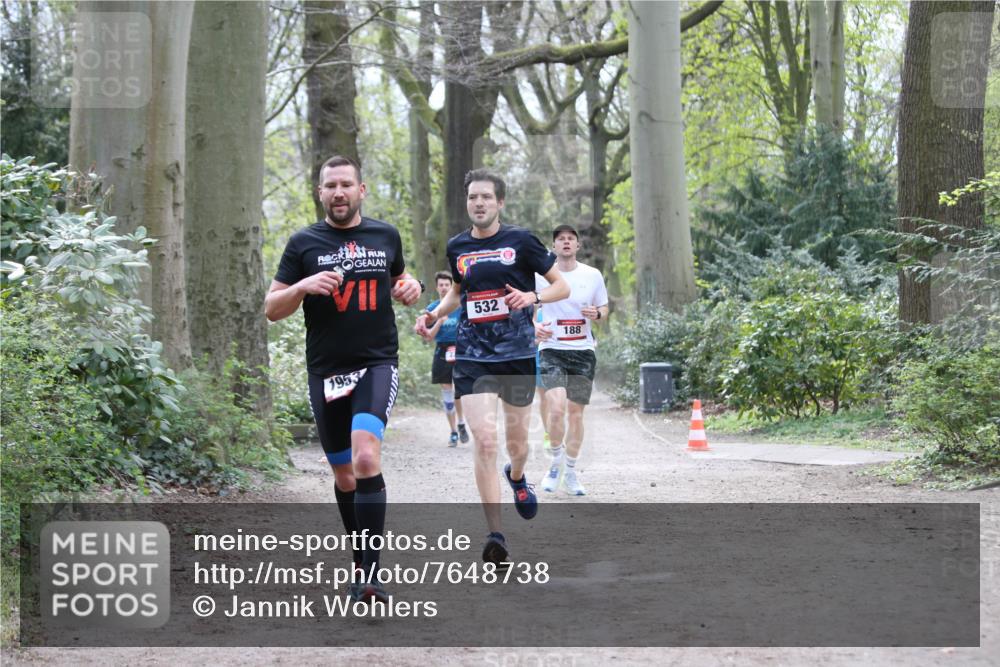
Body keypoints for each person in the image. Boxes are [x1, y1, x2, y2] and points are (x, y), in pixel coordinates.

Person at [265, 155, 422, 603]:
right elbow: (271, 308)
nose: (338, 192)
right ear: (320, 193)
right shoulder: (302, 244)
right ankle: (361, 561)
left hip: (376, 363)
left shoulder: (385, 235)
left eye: (346, 185)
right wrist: (301, 287)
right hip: (325, 371)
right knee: (345, 475)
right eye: (330, 185)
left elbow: (401, 280)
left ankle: (369, 575)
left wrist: (412, 288)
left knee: (366, 456)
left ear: (361, 190)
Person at [415, 169, 569, 564]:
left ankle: (516, 476)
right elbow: (459, 293)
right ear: (467, 203)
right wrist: (434, 315)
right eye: (472, 198)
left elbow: (561, 287)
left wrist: (531, 296)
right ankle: (495, 535)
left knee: (517, 445)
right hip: (472, 355)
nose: (478, 203)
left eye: (486, 197)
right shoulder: (458, 247)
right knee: (484, 439)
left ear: (500, 202)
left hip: (516, 354)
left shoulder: (520, 241)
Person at [534, 224, 609, 496]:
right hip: (551, 348)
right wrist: (534, 327)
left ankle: (572, 471)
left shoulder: (592, 275)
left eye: (570, 239)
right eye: (560, 239)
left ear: (577, 246)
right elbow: (529, 308)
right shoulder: (540, 276)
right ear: (553, 247)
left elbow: (604, 307)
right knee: (555, 409)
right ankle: (555, 462)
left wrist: (597, 314)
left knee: (576, 415)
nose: (566, 242)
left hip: (583, 351)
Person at [416, 271, 469, 447]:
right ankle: (453, 430)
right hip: (442, 350)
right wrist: (439, 320)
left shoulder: (460, 305)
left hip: (460, 348)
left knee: (458, 390)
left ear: (451, 286)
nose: (445, 288)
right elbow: (429, 336)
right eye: (441, 285)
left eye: (448, 284)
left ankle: (461, 422)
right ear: (437, 287)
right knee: (447, 391)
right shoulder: (433, 309)